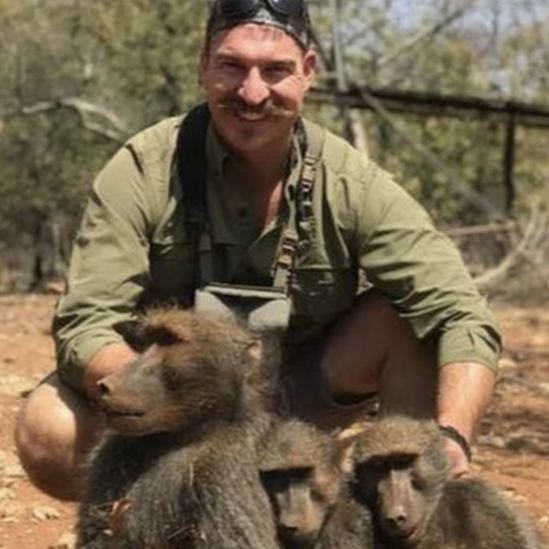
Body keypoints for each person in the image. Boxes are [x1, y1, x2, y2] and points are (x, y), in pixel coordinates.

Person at [15, 0, 501, 502]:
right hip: (168, 404)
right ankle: (158, 512)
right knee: (49, 431)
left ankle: (376, 502)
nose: (252, 93)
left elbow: (462, 313)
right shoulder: (143, 168)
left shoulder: (353, 185)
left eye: (275, 71)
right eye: (232, 66)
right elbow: (85, 320)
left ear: (308, 73)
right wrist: (178, 396)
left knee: (410, 319)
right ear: (204, 65)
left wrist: (452, 437)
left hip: (297, 399)